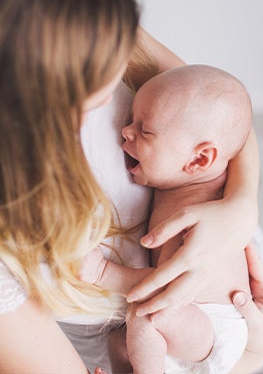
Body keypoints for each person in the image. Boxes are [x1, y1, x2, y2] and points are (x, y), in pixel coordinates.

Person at [0, 0, 263, 373]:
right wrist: (252, 357)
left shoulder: (82, 11)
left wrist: (241, 204)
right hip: (180, 340)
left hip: (242, 300)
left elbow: (222, 113)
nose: (124, 133)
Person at [82, 64, 252, 373]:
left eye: (144, 131)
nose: (126, 132)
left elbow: (165, 287)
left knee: (145, 313)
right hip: (190, 320)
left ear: (200, 159)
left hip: (214, 323)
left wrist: (103, 272)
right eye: (131, 120)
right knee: (122, 340)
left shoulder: (197, 215)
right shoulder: (185, 180)